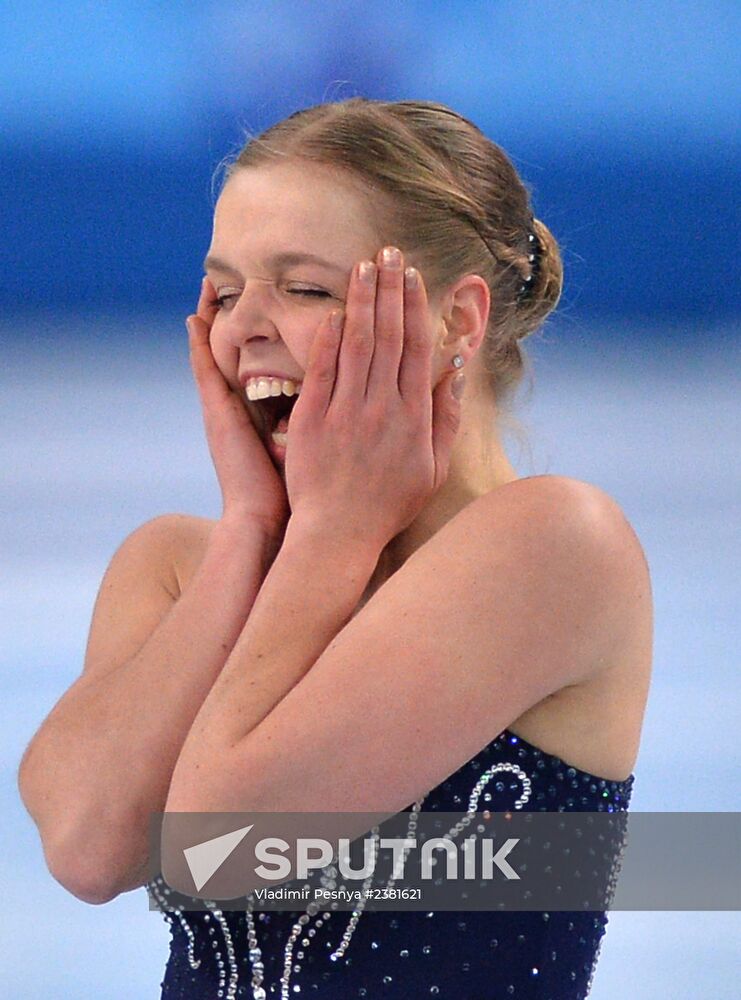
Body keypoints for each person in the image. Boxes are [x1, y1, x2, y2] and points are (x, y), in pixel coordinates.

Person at [18, 97, 653, 999]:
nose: (242, 331)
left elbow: (217, 853)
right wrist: (253, 529)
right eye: (226, 291)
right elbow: (87, 850)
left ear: (457, 322)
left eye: (305, 288)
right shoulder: (174, 567)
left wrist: (331, 534)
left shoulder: (551, 545)